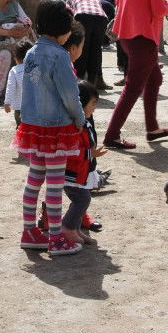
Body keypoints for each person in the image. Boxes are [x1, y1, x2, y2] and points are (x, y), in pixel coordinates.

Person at [13, 0, 87, 256]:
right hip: (57, 128)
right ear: (63, 30)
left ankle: (29, 231)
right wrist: (80, 120)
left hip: (33, 128)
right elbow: (70, 95)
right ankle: (56, 238)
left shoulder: (32, 53)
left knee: (33, 180)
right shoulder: (60, 56)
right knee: (54, 185)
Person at [103, 0, 168, 150]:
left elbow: (119, 0)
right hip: (143, 38)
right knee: (133, 88)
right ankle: (111, 136)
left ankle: (152, 128)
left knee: (154, 79)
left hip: (128, 36)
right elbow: (160, 9)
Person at [63, 80, 106, 246]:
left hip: (80, 172)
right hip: (71, 173)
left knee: (83, 199)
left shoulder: (84, 122)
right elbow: (72, 152)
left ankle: (75, 228)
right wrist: (91, 153)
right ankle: (67, 227)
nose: (94, 108)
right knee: (82, 200)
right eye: (92, 104)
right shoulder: (73, 126)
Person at [57, 0, 109, 88]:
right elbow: (100, 9)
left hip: (82, 17)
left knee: (83, 48)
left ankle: (80, 82)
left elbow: (67, 13)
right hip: (102, 19)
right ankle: (92, 83)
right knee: (96, 50)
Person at [4, 40, 32, 128]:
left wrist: (7, 102)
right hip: (35, 107)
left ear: (16, 58)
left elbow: (10, 87)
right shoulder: (36, 69)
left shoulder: (15, 71)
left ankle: (21, 141)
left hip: (19, 107)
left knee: (21, 128)